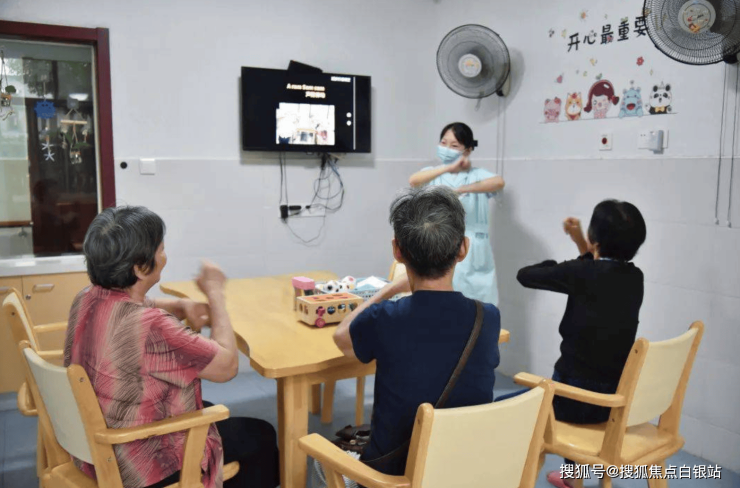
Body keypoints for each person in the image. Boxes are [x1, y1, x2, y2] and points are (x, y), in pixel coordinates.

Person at [63, 206, 279, 488]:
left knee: (210, 409)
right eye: (161, 249)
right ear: (140, 267)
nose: (165, 256)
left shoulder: (87, 298)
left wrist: (181, 304)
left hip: (94, 447)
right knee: (261, 434)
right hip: (140, 462)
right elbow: (227, 367)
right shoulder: (151, 326)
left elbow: (142, 306)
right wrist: (215, 293)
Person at [333, 186, 501, 476]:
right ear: (463, 248)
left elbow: (342, 338)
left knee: (322, 458)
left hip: (393, 475)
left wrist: (388, 290)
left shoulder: (385, 317)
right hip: (466, 470)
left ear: (397, 250)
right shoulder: (487, 317)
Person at [516, 200, 646, 488]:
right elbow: (598, 271)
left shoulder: (580, 273)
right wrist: (582, 245)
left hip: (571, 405)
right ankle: (572, 478)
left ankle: (556, 477)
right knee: (584, 369)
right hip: (613, 404)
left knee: (518, 402)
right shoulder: (635, 278)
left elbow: (525, 275)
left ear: (595, 239)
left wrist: (566, 263)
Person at [408, 122, 505, 305]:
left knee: (480, 305)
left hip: (474, 248)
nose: (447, 149)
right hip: (439, 244)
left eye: (454, 146)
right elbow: (414, 181)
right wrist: (448, 167)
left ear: (467, 150)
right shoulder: (432, 173)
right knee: (443, 302)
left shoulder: (477, 175)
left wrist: (461, 189)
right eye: (443, 143)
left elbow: (498, 182)